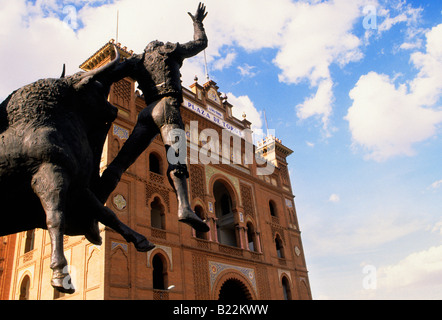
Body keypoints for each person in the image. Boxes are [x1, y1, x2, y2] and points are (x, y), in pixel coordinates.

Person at [94, 3, 209, 232]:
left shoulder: (137, 61)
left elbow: (109, 73)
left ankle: (95, 203)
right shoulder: (171, 51)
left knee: (120, 162)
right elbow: (200, 44)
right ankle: (184, 207)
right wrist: (197, 23)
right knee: (176, 158)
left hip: (146, 112)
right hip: (167, 107)